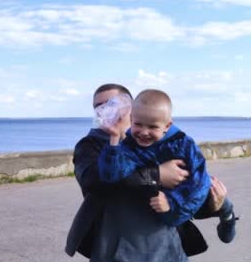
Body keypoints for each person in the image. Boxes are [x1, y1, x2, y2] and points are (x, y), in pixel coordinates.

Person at [65, 84, 231, 262]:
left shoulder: (167, 143)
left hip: (169, 261)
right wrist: (156, 174)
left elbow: (187, 189)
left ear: (131, 106)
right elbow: (93, 181)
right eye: (98, 106)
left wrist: (215, 205)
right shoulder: (90, 145)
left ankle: (228, 216)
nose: (104, 110)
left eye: (111, 104)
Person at [98, 89, 238, 234]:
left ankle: (227, 213)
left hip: (198, 194)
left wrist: (171, 201)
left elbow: (199, 184)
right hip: (167, 207)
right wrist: (114, 140)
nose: (144, 132)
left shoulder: (183, 145)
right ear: (131, 119)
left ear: (167, 126)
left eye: (152, 127)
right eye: (138, 124)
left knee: (215, 197)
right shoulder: (129, 145)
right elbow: (113, 176)